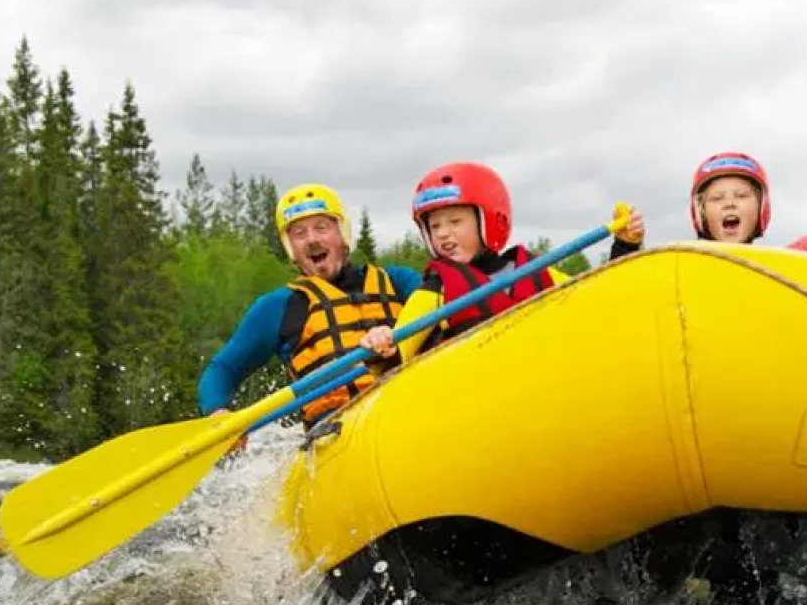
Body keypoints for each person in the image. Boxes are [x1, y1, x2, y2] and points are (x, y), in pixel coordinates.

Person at [196, 183, 424, 431]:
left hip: (407, 406)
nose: (312, 239)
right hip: (337, 430)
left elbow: (439, 307)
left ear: (341, 234)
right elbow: (223, 369)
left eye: (321, 228)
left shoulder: (398, 281)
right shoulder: (279, 306)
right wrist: (218, 413)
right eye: (299, 233)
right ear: (291, 248)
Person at [366, 161, 646, 361]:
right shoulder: (435, 290)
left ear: (491, 220)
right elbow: (397, 353)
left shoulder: (538, 273)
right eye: (434, 226)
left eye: (454, 221)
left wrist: (625, 245)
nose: (443, 234)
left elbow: (601, 301)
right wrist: (382, 343)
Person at [689, 151, 771, 244]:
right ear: (701, 213)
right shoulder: (678, 257)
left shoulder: (782, 257)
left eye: (741, 195)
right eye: (717, 198)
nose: (729, 204)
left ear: (761, 208)